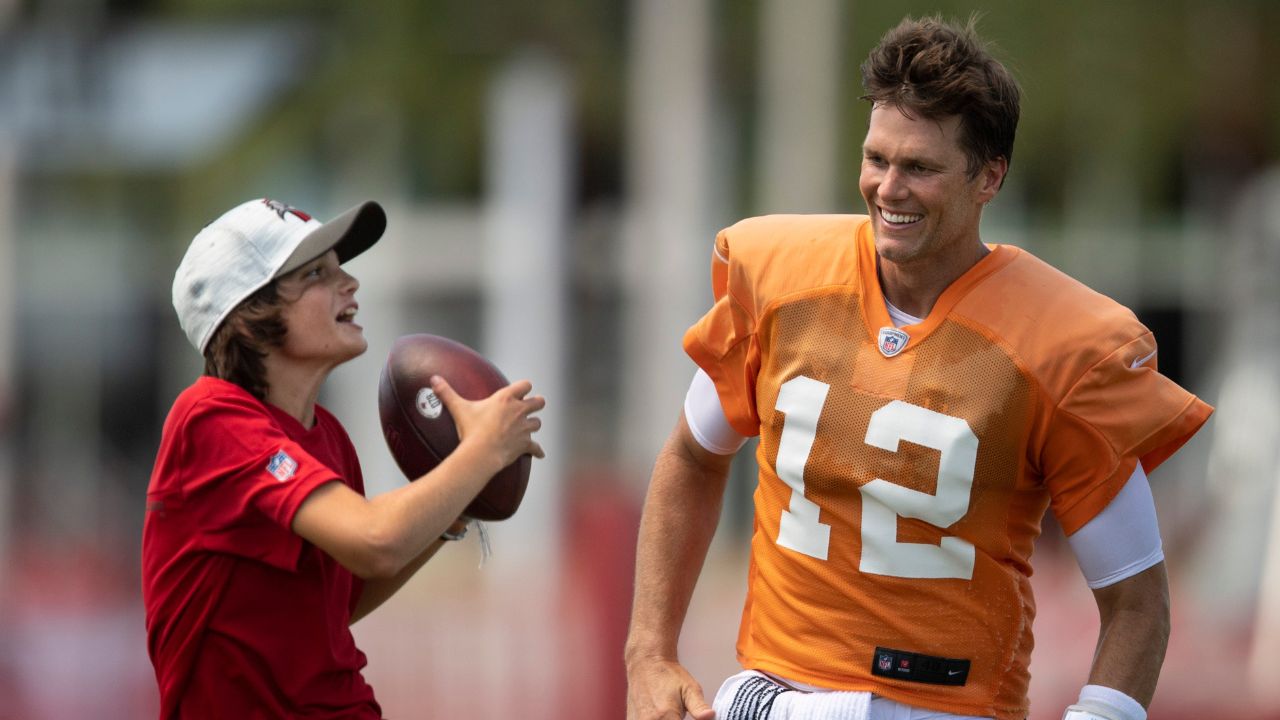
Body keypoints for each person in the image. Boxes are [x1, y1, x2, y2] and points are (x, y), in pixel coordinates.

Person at [625, 16, 1211, 720]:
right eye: (877, 159)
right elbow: (693, 455)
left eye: (921, 168)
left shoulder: (1059, 345)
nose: (888, 188)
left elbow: (1136, 599)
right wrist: (650, 652)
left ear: (989, 176)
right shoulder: (785, 280)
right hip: (775, 696)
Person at [142, 198, 545, 718]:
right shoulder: (209, 418)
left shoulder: (326, 435)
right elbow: (376, 541)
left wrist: (455, 508)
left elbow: (343, 600)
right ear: (249, 313)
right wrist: (481, 452)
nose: (350, 283)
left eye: (340, 267)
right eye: (316, 273)